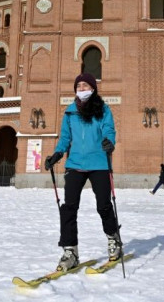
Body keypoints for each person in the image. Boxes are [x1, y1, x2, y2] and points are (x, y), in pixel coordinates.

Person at [44, 73, 120, 272]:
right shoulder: (69, 112)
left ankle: (114, 240)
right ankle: (70, 251)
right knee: (69, 208)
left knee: (104, 205)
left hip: (99, 163)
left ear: (93, 88)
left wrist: (109, 142)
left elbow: (109, 130)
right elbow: (65, 138)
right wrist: (57, 154)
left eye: (86, 85)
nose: (82, 88)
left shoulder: (103, 109)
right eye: (79, 86)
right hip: (75, 163)